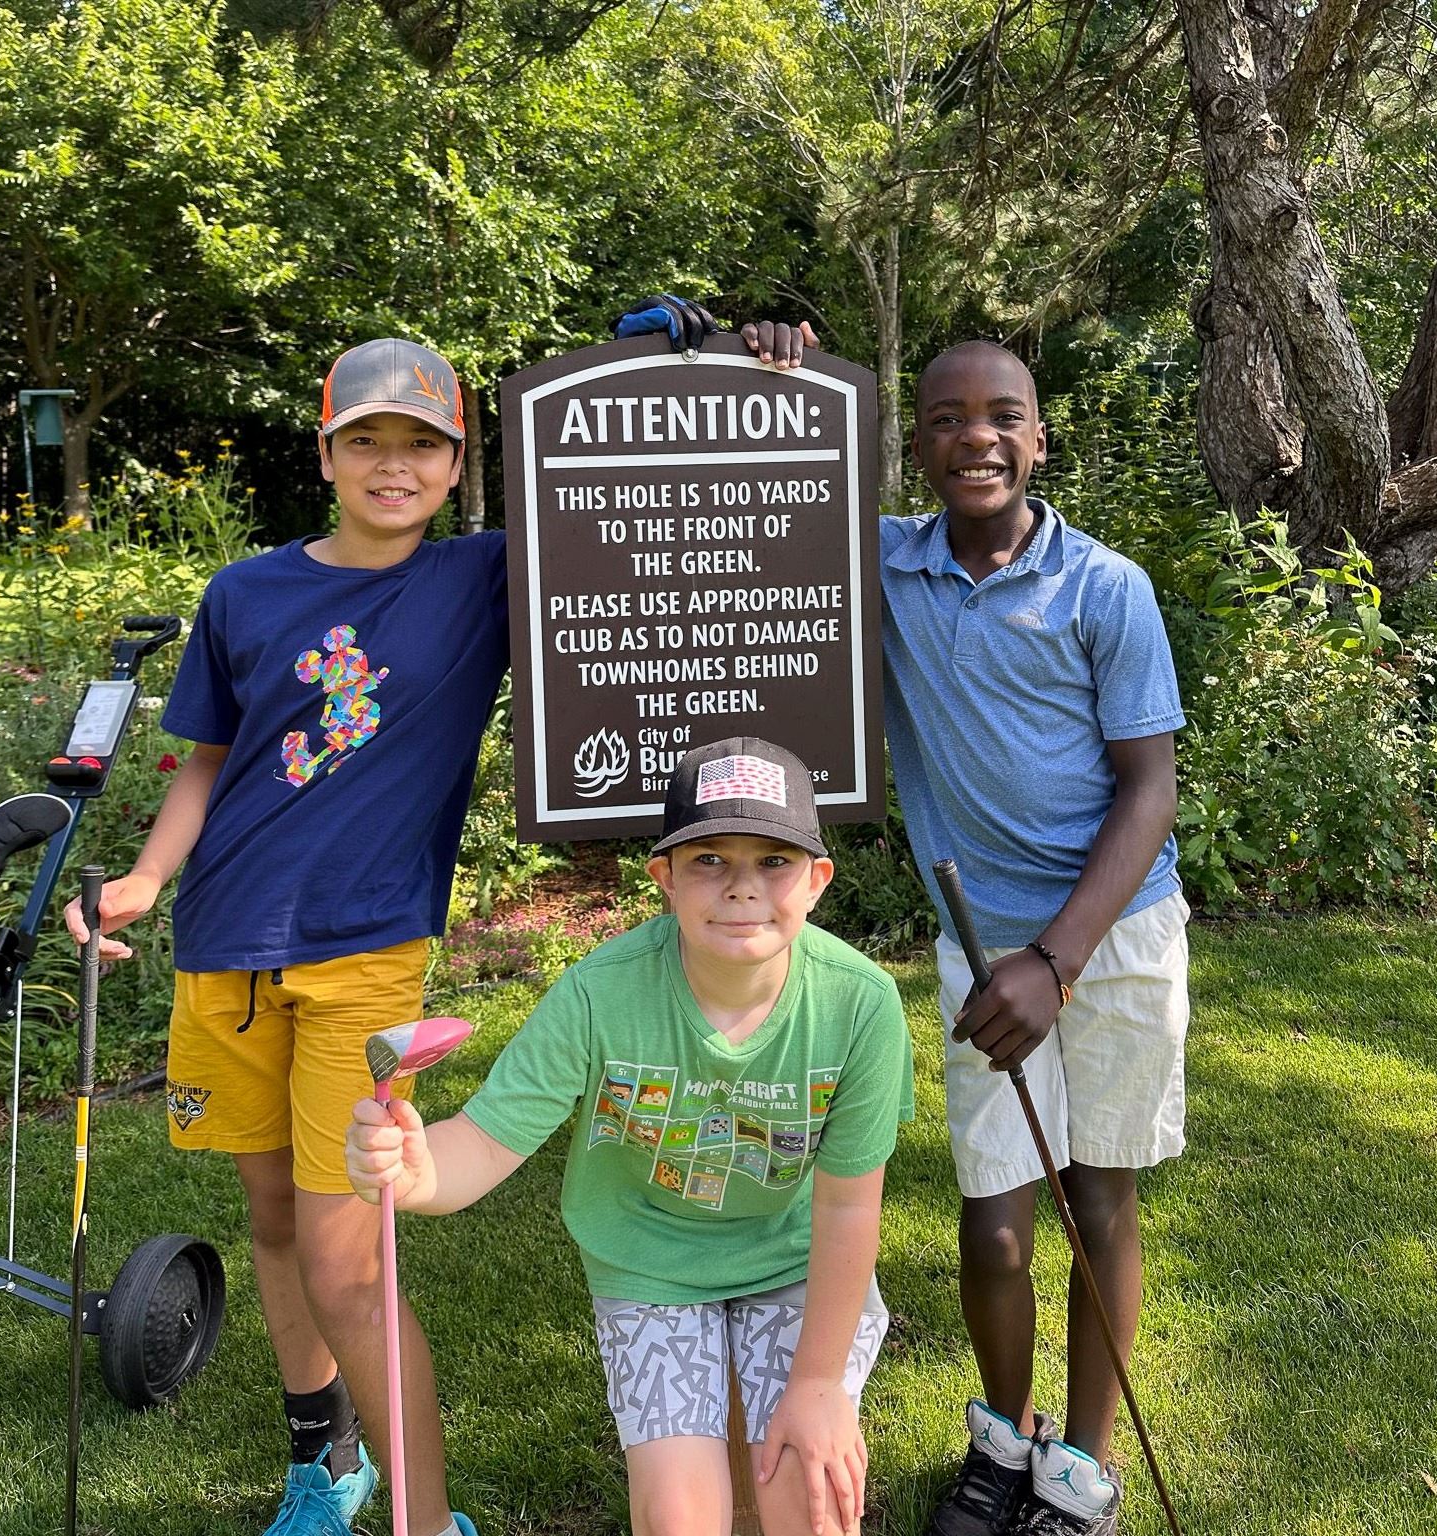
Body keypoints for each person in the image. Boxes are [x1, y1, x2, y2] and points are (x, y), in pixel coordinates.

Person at [62, 312, 823, 1536]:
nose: (393, 466)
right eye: (366, 440)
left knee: (348, 1262)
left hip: (365, 951)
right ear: (324, 453)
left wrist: (725, 359)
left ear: (461, 463)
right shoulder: (244, 593)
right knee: (274, 1224)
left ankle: (427, 1520)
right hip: (221, 941)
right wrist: (147, 883)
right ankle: (327, 1462)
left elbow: (647, 504)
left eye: (422, 443)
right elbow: (205, 764)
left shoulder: (480, 576)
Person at [345, 736, 913, 1536]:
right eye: (709, 859)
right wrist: (408, 1168)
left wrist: (819, 1385)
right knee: (680, 1519)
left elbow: (851, 1210)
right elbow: (478, 1142)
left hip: (797, 1263)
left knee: (811, 1504)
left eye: (774, 861)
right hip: (647, 1267)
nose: (743, 887)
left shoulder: (861, 1004)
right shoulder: (597, 994)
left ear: (816, 880)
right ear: (665, 878)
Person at [882, 341, 1189, 1536]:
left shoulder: (1105, 587)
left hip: (1112, 937)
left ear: (1040, 438)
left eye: (1004, 416)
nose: (978, 438)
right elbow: (760, 511)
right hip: (981, 941)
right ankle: (1004, 1444)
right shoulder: (884, 571)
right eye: (949, 418)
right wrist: (743, 357)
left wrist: (1058, 962)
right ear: (917, 444)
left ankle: (1082, 1473)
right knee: (998, 1225)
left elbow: (1149, 788)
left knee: (1097, 1198)